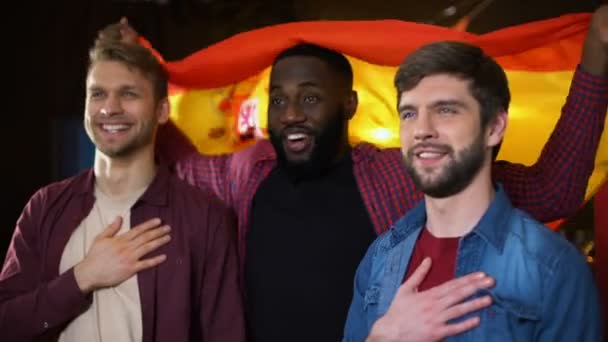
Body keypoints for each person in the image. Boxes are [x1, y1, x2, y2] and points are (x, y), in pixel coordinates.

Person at [109, 7, 608, 341]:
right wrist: (136, 71)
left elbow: (553, 190)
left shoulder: (400, 176)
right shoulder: (247, 174)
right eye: (278, 100)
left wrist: (594, 60)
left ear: (348, 105)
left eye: (309, 98)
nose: (290, 114)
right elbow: (171, 163)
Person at [343, 38, 602, 342]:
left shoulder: (553, 266)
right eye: (409, 113)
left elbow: (557, 188)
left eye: (446, 110)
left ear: (493, 128)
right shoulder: (380, 257)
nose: (422, 129)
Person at [0, 38, 246, 342]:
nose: (110, 107)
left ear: (162, 110)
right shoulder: (44, 206)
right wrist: (82, 277)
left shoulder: (206, 218)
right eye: (98, 94)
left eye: (128, 94)